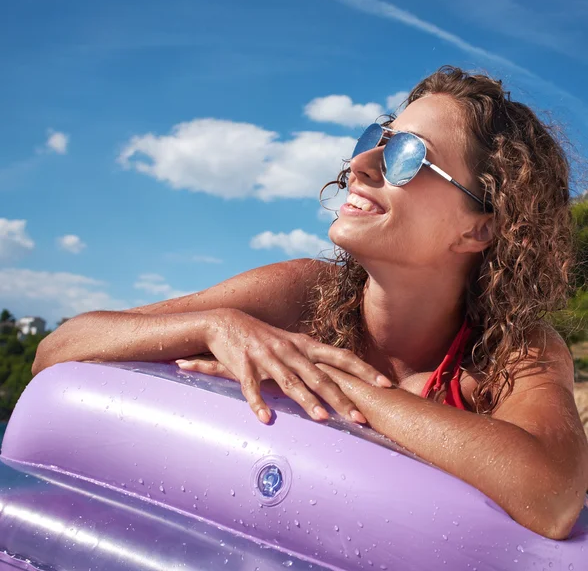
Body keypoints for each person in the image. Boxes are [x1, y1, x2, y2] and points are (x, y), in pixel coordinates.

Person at [33, 66, 588, 540]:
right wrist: (215, 326)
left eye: (407, 156)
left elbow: (553, 494)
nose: (364, 163)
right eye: (377, 138)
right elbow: (58, 350)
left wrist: (323, 378)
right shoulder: (301, 294)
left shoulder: (513, 356)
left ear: (479, 228)